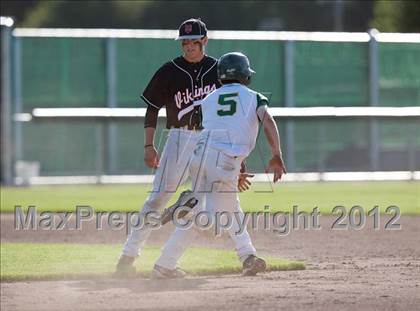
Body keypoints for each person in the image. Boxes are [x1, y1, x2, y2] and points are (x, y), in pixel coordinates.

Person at [116, 18, 257, 278]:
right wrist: (149, 144)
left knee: (226, 200)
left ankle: (246, 255)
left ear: (204, 40)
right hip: (179, 137)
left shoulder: (219, 70)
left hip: (212, 140)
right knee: (157, 197)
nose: (188, 46)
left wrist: (238, 166)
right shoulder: (169, 71)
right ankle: (128, 256)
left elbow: (233, 119)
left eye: (193, 41)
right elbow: (152, 109)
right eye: (185, 42)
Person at [155, 52, 287, 277]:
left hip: (200, 156)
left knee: (230, 208)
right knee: (210, 222)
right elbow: (267, 121)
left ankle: (246, 257)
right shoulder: (253, 97)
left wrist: (237, 168)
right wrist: (276, 154)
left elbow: (215, 129)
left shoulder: (208, 99)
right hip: (224, 160)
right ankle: (187, 210)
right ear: (245, 75)